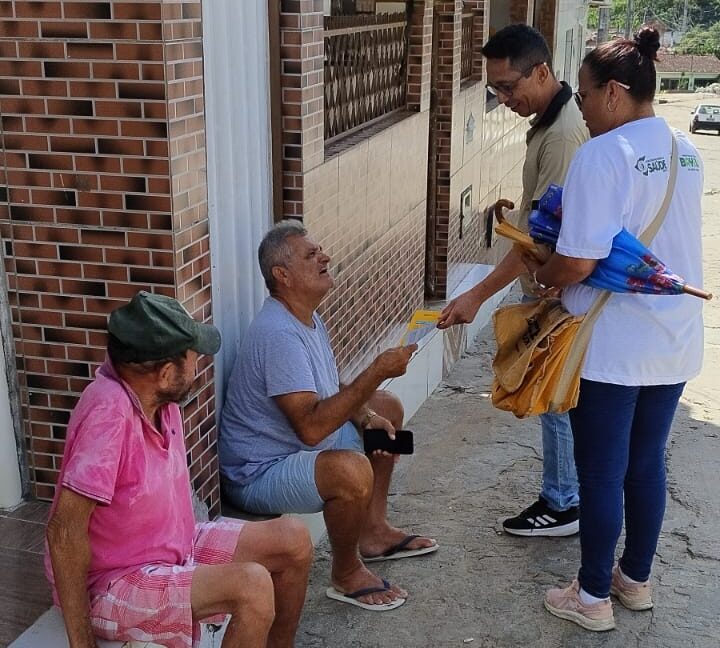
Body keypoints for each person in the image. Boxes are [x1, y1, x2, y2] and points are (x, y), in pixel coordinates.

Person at [521, 29, 704, 631]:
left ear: (616, 94)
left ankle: (592, 596)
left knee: (600, 470)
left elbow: (577, 262)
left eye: (589, 95)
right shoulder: (685, 150)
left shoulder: (603, 155)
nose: (583, 107)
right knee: (646, 462)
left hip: (611, 342)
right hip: (673, 337)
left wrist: (544, 274)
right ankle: (634, 580)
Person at [45, 291, 313, 648]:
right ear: (167, 372)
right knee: (252, 587)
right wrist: (82, 644)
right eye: (193, 357)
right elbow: (64, 531)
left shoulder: (163, 402)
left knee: (293, 538)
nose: (199, 365)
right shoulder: (108, 414)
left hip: (173, 548)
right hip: (115, 582)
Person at [219, 220, 438, 612]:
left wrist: (367, 415)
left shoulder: (307, 317)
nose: (326, 257)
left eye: (320, 250)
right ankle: (346, 571)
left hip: (295, 448)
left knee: (385, 407)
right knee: (350, 471)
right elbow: (311, 428)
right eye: (311, 255)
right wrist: (375, 371)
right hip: (258, 471)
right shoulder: (278, 335)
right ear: (282, 276)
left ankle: (372, 532)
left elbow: (329, 386)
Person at [437, 23, 588, 537]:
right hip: (555, 285)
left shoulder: (565, 133)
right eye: (495, 89)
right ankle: (571, 493)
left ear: (542, 71)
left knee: (553, 395)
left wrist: (476, 295)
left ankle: (564, 501)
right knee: (558, 396)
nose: (503, 99)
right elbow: (543, 212)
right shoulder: (551, 120)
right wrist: (515, 212)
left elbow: (541, 245)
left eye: (509, 87)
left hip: (559, 290)